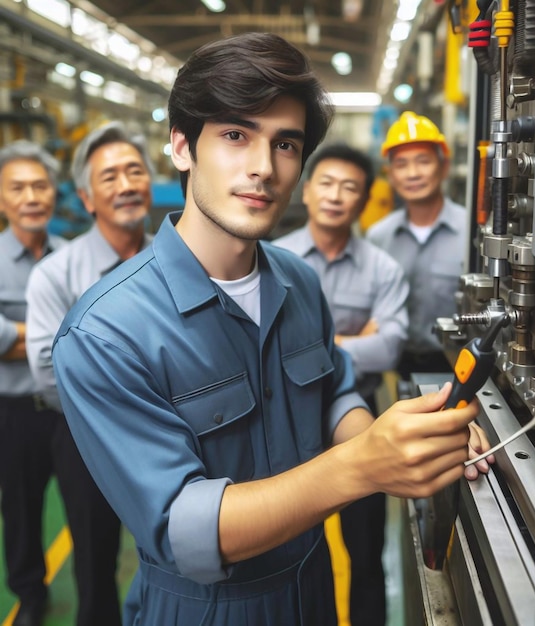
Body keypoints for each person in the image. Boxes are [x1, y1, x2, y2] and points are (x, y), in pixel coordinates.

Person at [51, 33, 493, 626]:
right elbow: (184, 529)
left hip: (312, 591)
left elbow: (332, 393)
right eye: (235, 135)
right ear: (182, 146)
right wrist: (363, 465)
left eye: (285, 144)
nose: (263, 167)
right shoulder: (105, 332)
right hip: (205, 609)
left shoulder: (298, 281)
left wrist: (396, 440)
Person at [24, 121, 155, 626]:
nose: (125, 185)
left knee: (182, 559)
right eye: (109, 177)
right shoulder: (56, 275)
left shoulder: (181, 261)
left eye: (134, 171)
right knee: (95, 563)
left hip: (179, 440)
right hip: (89, 444)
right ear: (86, 196)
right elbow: (45, 368)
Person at [273, 143, 409, 625]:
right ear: (305, 191)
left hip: (358, 414)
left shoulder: (382, 269)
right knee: (288, 549)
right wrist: (354, 340)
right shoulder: (271, 260)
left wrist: (305, 348)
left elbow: (389, 348)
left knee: (365, 550)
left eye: (349, 187)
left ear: (365, 198)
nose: (335, 196)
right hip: (284, 417)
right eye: (325, 183)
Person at [0, 141, 66, 626]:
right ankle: (31, 595)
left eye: (39, 185)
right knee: (21, 511)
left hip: (70, 410)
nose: (31, 197)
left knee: (91, 507)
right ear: (2, 199)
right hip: (14, 410)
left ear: (54, 193)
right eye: (17, 187)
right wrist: (51, 333)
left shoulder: (70, 258)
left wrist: (16, 333)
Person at [367, 112, 468, 378]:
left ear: (443, 167)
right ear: (390, 175)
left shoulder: (471, 232)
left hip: (459, 367)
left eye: (423, 161)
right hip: (399, 366)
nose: (412, 174)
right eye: (401, 164)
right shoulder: (379, 236)